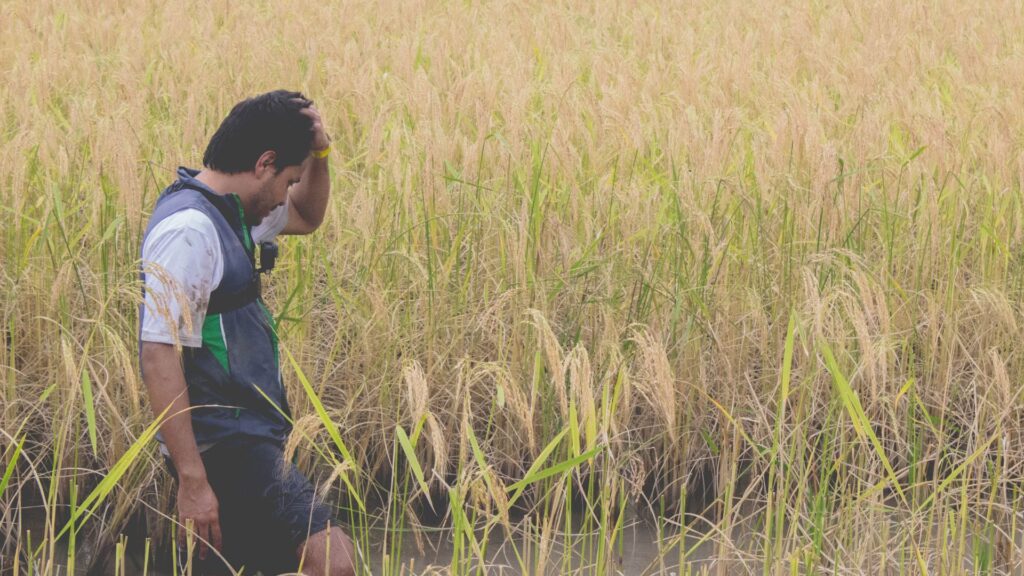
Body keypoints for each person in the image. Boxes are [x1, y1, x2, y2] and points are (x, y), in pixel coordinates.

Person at [139, 90, 355, 575]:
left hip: (248, 435)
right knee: (333, 560)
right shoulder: (191, 231)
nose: (286, 195)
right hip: (228, 444)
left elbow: (307, 216)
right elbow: (158, 354)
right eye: (288, 180)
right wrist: (193, 480)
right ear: (264, 163)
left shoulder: (232, 214)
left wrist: (319, 155)